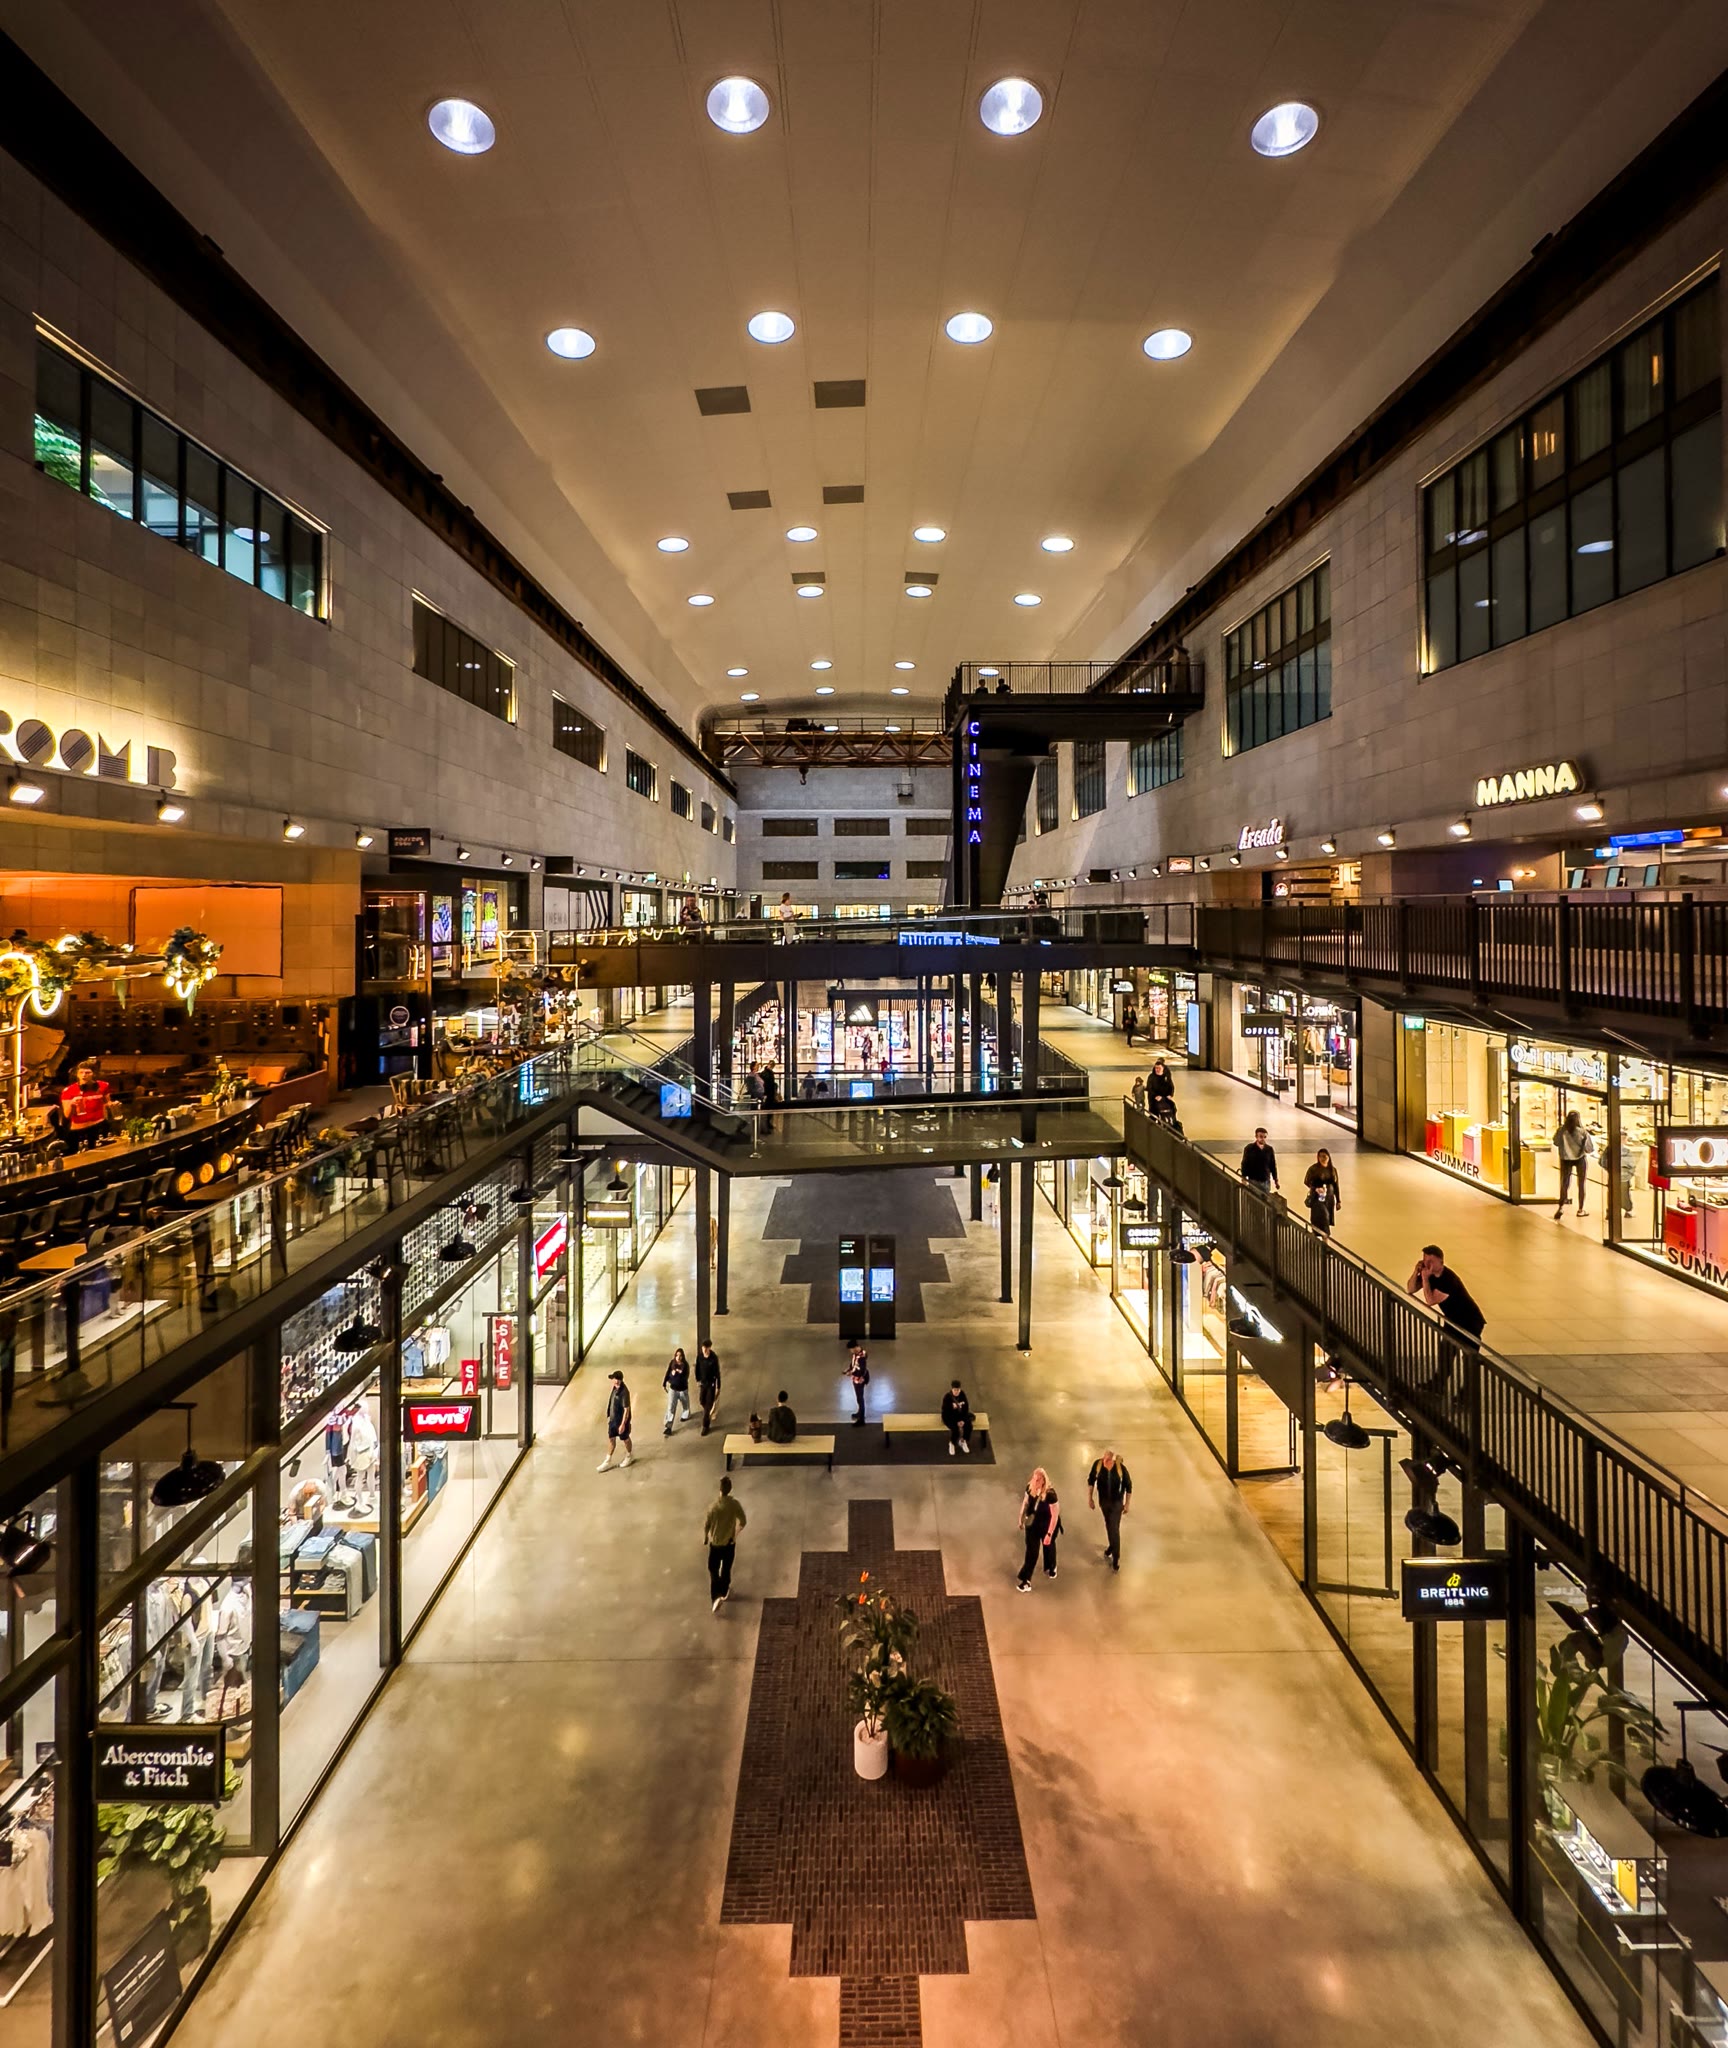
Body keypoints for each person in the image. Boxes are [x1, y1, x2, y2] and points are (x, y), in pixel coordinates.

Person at [1407, 1245, 1486, 1344]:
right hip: (1452, 1320)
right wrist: (1416, 1272)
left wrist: (1425, 1278)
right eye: (1425, 1261)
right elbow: (1410, 1289)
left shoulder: (1449, 1280)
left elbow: (1430, 1300)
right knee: (1445, 1350)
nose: (1427, 1265)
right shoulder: (1429, 1274)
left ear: (1441, 1262)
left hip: (1469, 1321)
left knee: (1468, 1350)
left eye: (1431, 1262)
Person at [704, 1476, 747, 1612]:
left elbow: (707, 1524)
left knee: (713, 1569)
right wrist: (735, 1534)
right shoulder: (734, 1504)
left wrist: (705, 1537)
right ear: (730, 1489)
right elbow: (743, 1521)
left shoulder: (713, 1507)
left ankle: (715, 1596)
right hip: (729, 1543)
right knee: (726, 1568)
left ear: (720, 1489)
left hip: (715, 1544)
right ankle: (724, 1591)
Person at [1087, 1449, 1132, 1571]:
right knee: (1109, 1525)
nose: (1105, 1461)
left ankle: (1116, 1558)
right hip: (1104, 1503)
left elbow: (1128, 1486)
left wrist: (1127, 1504)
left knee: (1114, 1529)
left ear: (1113, 1459)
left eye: (1108, 1459)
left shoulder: (1120, 1469)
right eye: (1105, 1458)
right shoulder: (1097, 1465)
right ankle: (1112, 1547)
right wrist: (1090, 1498)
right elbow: (1091, 1481)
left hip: (1117, 1503)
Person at [59, 1060, 112, 1151]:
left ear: (93, 1074)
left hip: (99, 1126)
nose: (84, 1075)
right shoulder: (68, 1091)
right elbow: (67, 1115)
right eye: (81, 1072)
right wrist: (71, 1104)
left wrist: (113, 1105)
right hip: (79, 1130)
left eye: (87, 1072)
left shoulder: (103, 1086)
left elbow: (107, 1103)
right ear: (77, 1074)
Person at [1017, 1487, 1062, 1590]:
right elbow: (1025, 1503)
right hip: (1032, 1524)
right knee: (1031, 1552)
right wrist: (1021, 1519)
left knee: (1048, 1546)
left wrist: (1049, 1534)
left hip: (1048, 1524)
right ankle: (1026, 1580)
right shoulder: (1030, 1488)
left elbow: (1055, 1515)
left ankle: (1051, 1566)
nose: (1036, 1481)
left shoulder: (1050, 1494)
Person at [1553, 1109, 1596, 1218]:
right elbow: (1589, 1149)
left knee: (1564, 1183)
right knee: (1581, 1184)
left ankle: (1561, 1207)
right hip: (1580, 1159)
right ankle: (1580, 1209)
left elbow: (1556, 1142)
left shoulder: (1561, 1130)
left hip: (1565, 1159)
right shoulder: (1582, 1132)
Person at [598, 1370, 634, 1470]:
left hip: (621, 1421)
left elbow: (626, 1410)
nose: (616, 1381)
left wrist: (623, 1424)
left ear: (621, 1380)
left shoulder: (624, 1392)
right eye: (614, 1379)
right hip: (613, 1421)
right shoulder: (614, 1388)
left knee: (625, 1439)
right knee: (611, 1439)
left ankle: (629, 1455)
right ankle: (608, 1460)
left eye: (618, 1379)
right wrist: (609, 1415)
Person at [1303, 1148, 1341, 1236]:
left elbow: (1336, 1186)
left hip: (1329, 1198)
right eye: (1320, 1156)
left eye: (1324, 1156)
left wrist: (1338, 1201)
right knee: (1322, 1217)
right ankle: (1324, 1236)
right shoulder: (1314, 1169)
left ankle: (1320, 1236)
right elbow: (1307, 1181)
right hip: (1318, 1198)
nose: (1322, 1159)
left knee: (1326, 1218)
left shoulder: (1332, 1170)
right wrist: (1315, 1188)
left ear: (1328, 1157)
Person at [1240, 1127, 1279, 1195]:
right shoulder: (1249, 1148)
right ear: (1256, 1137)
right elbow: (1245, 1164)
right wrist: (1244, 1178)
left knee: (1265, 1199)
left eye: (1265, 1137)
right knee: (1254, 1199)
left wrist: (1275, 1180)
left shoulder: (1269, 1149)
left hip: (1266, 1180)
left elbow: (1272, 1165)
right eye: (1261, 1136)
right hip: (1254, 1180)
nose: (1263, 1139)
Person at [694, 1340, 722, 1435]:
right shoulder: (700, 1357)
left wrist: (718, 1386)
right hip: (703, 1383)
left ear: (710, 1348)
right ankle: (709, 1410)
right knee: (702, 1400)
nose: (705, 1350)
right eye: (703, 1348)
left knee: (708, 1405)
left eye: (706, 1348)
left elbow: (717, 1373)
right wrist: (698, 1380)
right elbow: (697, 1369)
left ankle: (705, 1425)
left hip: (711, 1384)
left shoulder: (713, 1358)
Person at [662, 1347, 692, 1434]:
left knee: (685, 1405)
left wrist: (678, 1373)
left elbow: (685, 1377)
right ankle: (668, 1427)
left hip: (683, 1390)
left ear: (683, 1357)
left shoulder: (685, 1365)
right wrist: (665, 1382)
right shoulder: (672, 1363)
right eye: (677, 1355)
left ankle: (686, 1414)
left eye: (680, 1356)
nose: (678, 1357)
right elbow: (668, 1372)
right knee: (671, 1408)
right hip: (673, 1389)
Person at [941, 1379, 974, 1456]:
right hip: (949, 1417)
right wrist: (956, 1421)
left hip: (960, 1416)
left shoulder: (962, 1395)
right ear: (952, 1389)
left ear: (960, 1389)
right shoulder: (947, 1397)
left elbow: (966, 1408)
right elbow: (945, 1411)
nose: (956, 1392)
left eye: (958, 1390)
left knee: (969, 1426)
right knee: (955, 1429)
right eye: (955, 1390)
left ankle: (963, 1441)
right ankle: (952, 1443)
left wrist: (962, 1420)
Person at [843, 1343, 870, 1425]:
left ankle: (861, 1420)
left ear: (855, 1347)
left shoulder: (862, 1357)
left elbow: (862, 1370)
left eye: (851, 1349)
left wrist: (851, 1373)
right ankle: (860, 1412)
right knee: (859, 1398)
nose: (851, 1351)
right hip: (856, 1378)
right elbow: (854, 1364)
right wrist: (849, 1369)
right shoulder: (856, 1354)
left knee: (860, 1398)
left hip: (860, 1379)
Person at [760, 1062, 780, 1132]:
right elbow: (769, 1084)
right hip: (769, 1094)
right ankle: (766, 1126)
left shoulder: (764, 1073)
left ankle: (767, 1125)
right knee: (768, 1109)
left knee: (768, 1109)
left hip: (768, 1093)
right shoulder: (768, 1073)